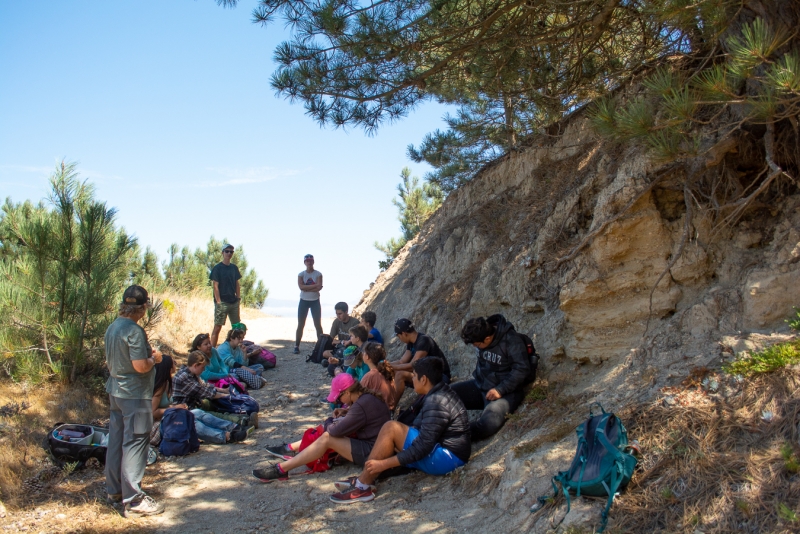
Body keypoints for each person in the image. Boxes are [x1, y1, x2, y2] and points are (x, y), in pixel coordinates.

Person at [328, 357, 470, 503]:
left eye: (414, 375)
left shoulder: (436, 402)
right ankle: (365, 480)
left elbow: (423, 446)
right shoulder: (437, 393)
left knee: (391, 427)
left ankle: (362, 486)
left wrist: (384, 464)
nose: (412, 379)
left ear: (424, 380)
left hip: (449, 459)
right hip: (446, 452)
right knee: (391, 432)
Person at [253, 375, 391, 482]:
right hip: (377, 447)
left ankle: (282, 469)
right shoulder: (367, 398)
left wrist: (329, 420)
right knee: (328, 432)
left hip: (372, 453)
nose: (338, 401)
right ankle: (290, 453)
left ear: (347, 392)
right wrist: (346, 413)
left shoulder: (361, 405)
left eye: (338, 398)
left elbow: (333, 431)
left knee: (327, 437)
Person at [104, 285, 165, 517]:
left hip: (116, 391)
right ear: (141, 308)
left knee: (117, 440)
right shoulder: (133, 331)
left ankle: (115, 491)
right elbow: (140, 365)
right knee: (136, 442)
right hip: (134, 394)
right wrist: (154, 359)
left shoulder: (112, 327)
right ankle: (134, 499)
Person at [453, 314, 532, 440]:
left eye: (477, 344)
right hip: (481, 386)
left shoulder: (511, 341)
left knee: (486, 425)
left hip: (506, 392)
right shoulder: (481, 337)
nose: (475, 347)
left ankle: (451, 437)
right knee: (445, 394)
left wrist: (500, 390)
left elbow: (522, 369)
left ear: (488, 338)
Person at [171, 351, 251, 444]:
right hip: (183, 411)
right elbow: (204, 392)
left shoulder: (190, 373)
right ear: (195, 365)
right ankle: (226, 435)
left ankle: (233, 426)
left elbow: (205, 385)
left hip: (192, 406)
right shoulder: (184, 377)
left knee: (205, 414)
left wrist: (221, 390)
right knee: (200, 422)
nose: (203, 370)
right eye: (202, 367)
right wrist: (225, 395)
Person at [390, 318, 452, 402]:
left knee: (400, 374)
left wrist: (391, 367)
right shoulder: (410, 343)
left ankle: (391, 407)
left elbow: (412, 365)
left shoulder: (423, 340)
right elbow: (402, 361)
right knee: (394, 372)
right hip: (426, 376)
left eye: (398, 336)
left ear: (404, 334)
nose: (399, 339)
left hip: (440, 377)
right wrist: (386, 364)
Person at [196, 332, 266, 390]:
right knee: (238, 375)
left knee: (259, 367)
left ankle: (248, 381)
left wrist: (244, 353)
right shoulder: (198, 358)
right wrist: (224, 375)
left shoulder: (213, 350)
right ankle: (253, 381)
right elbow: (207, 375)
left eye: (209, 343)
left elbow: (221, 362)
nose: (209, 345)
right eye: (206, 344)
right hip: (212, 381)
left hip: (225, 374)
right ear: (198, 347)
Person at [210, 244, 242, 347]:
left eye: (231, 252)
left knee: (237, 328)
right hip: (222, 302)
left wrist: (238, 297)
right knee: (217, 327)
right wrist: (218, 301)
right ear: (222, 252)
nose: (229, 253)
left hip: (233, 301)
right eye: (227, 251)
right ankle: (211, 351)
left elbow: (237, 283)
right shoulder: (217, 268)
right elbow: (215, 286)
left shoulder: (234, 268)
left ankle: (236, 350)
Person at [294, 254, 323, 354]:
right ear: (304, 262)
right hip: (303, 300)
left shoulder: (318, 274)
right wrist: (314, 287)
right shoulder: (301, 274)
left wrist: (307, 288)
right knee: (301, 324)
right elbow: (301, 287)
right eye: (307, 261)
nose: (309, 263)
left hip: (315, 300)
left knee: (317, 324)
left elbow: (319, 287)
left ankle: (321, 345)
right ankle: (297, 345)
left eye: (311, 261)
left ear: (313, 262)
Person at [359, 342, 397, 410]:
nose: (362, 355)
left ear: (367, 357)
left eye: (363, 353)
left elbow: (358, 399)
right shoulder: (386, 369)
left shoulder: (369, 377)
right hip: (390, 410)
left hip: (380, 413)